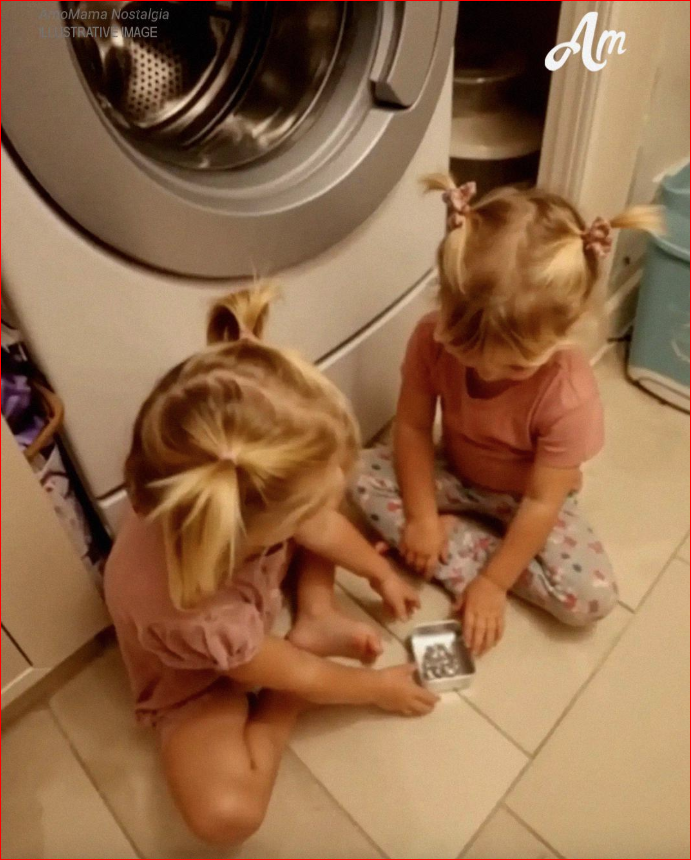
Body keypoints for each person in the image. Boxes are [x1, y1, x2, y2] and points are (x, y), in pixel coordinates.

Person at [105, 285, 436, 844]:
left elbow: (320, 525)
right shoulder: (192, 614)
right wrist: (377, 688)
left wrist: (378, 572)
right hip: (198, 677)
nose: (323, 511)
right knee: (227, 816)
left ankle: (316, 614)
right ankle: (286, 700)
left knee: (321, 506)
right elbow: (303, 673)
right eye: (304, 513)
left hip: (246, 580)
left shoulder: (206, 473)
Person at [352, 176, 660, 656]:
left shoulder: (568, 394)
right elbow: (411, 428)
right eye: (467, 352)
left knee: (590, 598)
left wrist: (493, 583)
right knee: (348, 471)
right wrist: (422, 515)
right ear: (444, 305)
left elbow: (541, 501)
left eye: (515, 366)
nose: (488, 372)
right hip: (452, 471)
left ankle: (463, 541)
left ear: (566, 333)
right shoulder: (430, 337)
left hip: (526, 498)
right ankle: (451, 532)